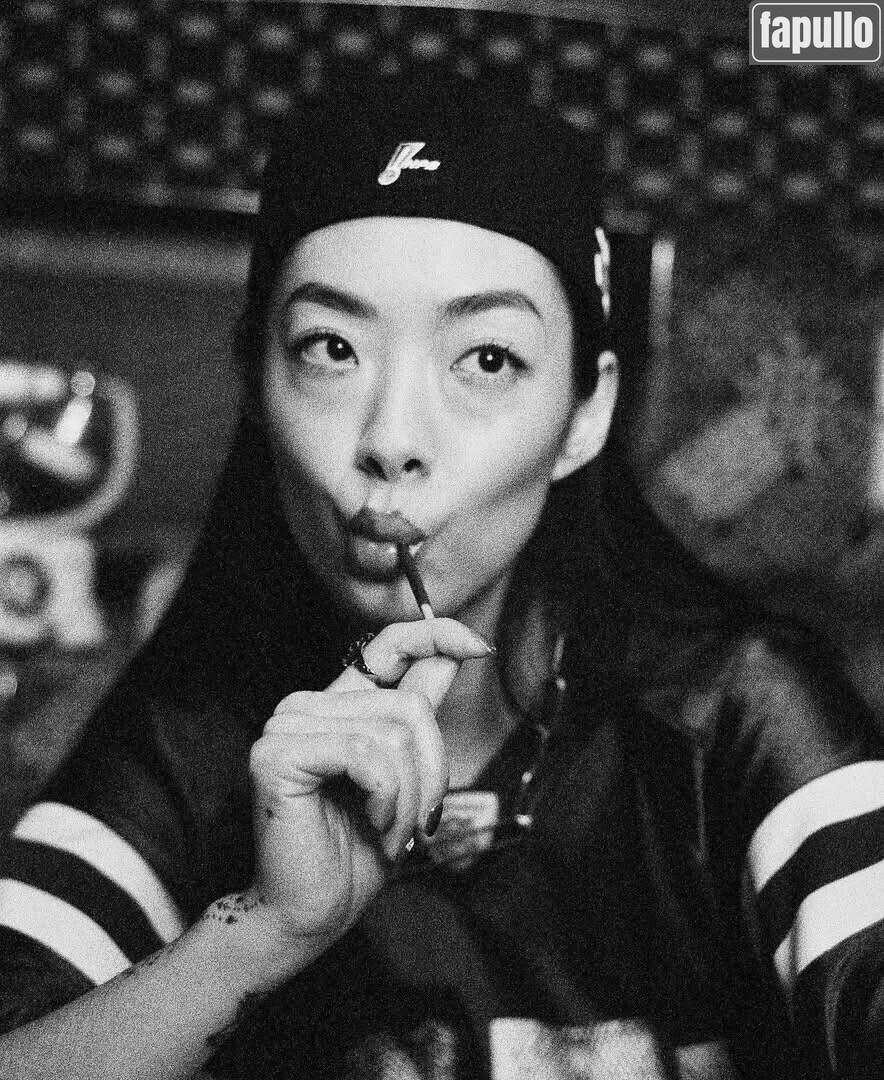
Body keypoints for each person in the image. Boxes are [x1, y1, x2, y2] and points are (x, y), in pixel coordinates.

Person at [0, 74, 882, 1080]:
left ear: (584, 414)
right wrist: (264, 932)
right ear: (256, 383)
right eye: (331, 348)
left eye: (487, 360)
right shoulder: (193, 734)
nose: (391, 438)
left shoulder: (731, 715)